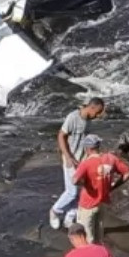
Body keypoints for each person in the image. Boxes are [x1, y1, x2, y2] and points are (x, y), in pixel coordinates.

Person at [50, 99, 105, 230]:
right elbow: (61, 136)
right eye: (97, 113)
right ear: (91, 108)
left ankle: (70, 217)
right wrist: (68, 157)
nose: (97, 116)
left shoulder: (89, 121)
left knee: (81, 190)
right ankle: (55, 211)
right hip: (71, 159)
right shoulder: (73, 117)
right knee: (72, 191)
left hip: (82, 160)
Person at [72, 135, 129, 244]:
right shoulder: (110, 158)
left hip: (87, 204)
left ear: (87, 149)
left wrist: (85, 183)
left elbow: (74, 180)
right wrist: (112, 187)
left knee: (87, 236)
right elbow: (127, 173)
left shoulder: (86, 163)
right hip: (102, 201)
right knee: (99, 232)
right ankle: (99, 253)